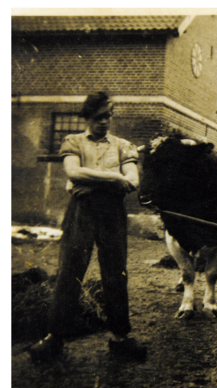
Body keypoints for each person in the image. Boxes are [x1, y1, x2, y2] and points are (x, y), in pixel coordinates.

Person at [29, 92, 147, 363]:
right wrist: (113, 177)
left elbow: (132, 180)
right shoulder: (73, 141)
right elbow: (73, 172)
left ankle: (120, 337)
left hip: (112, 214)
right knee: (70, 271)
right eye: (98, 117)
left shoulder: (122, 145)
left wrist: (91, 182)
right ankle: (55, 338)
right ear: (87, 118)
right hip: (81, 212)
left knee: (115, 274)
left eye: (108, 116)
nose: (104, 121)